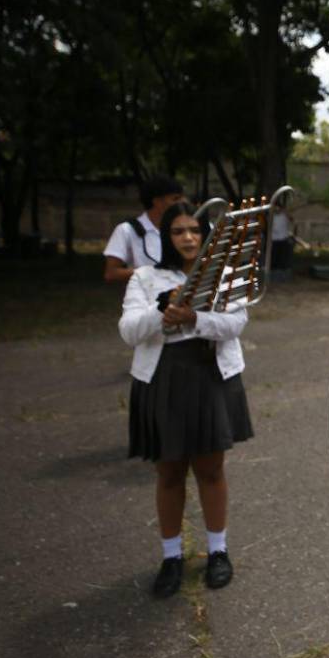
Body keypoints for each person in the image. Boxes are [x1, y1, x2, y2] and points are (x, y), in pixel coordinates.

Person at [119, 201, 254, 599]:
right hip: (163, 380)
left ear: (206, 233)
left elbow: (236, 323)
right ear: (167, 236)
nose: (189, 238)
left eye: (195, 229)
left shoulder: (224, 274)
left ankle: (217, 550)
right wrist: (164, 308)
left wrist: (194, 318)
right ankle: (171, 556)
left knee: (211, 469)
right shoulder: (145, 277)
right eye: (178, 231)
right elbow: (129, 331)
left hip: (209, 376)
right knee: (170, 472)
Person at [103, 176, 184, 284]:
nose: (182, 203)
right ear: (157, 202)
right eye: (175, 199)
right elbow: (111, 273)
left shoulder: (188, 229)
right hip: (145, 297)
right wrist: (154, 272)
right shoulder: (127, 230)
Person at [270, 205, 295, 280]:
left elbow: (292, 219)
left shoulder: (285, 215)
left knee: (283, 255)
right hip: (274, 239)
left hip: (283, 238)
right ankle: (273, 269)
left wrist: (286, 212)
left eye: (278, 208)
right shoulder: (272, 216)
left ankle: (282, 269)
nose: (277, 209)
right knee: (274, 255)